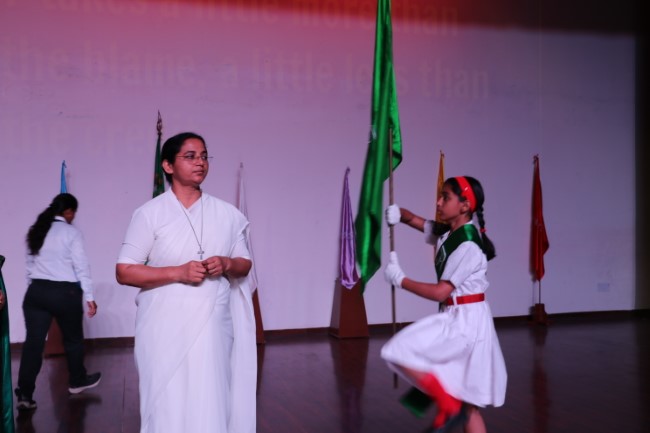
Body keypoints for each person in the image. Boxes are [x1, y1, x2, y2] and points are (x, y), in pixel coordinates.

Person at [116, 132, 257, 433]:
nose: (200, 162)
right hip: (163, 328)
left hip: (213, 325)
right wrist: (177, 272)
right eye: (190, 156)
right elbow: (125, 271)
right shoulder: (149, 214)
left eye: (204, 156)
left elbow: (244, 264)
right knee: (168, 399)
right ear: (168, 165)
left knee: (211, 393)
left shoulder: (227, 214)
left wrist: (227, 263)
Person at [381, 176, 507, 433]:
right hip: (458, 315)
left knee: (399, 349)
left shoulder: (468, 245)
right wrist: (400, 214)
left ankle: (448, 405)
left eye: (445, 197)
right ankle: (451, 405)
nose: (438, 202)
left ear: (465, 205)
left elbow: (441, 292)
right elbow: (418, 221)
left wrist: (401, 280)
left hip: (468, 323)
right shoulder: (450, 232)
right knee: (468, 405)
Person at [15, 193, 101, 411]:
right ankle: (77, 381)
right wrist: (89, 297)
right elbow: (81, 266)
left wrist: (36, 288)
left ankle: (25, 394)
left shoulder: (37, 230)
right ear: (68, 212)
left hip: (36, 291)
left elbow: (29, 265)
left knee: (33, 344)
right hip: (65, 293)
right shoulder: (71, 233)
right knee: (72, 340)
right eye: (74, 213)